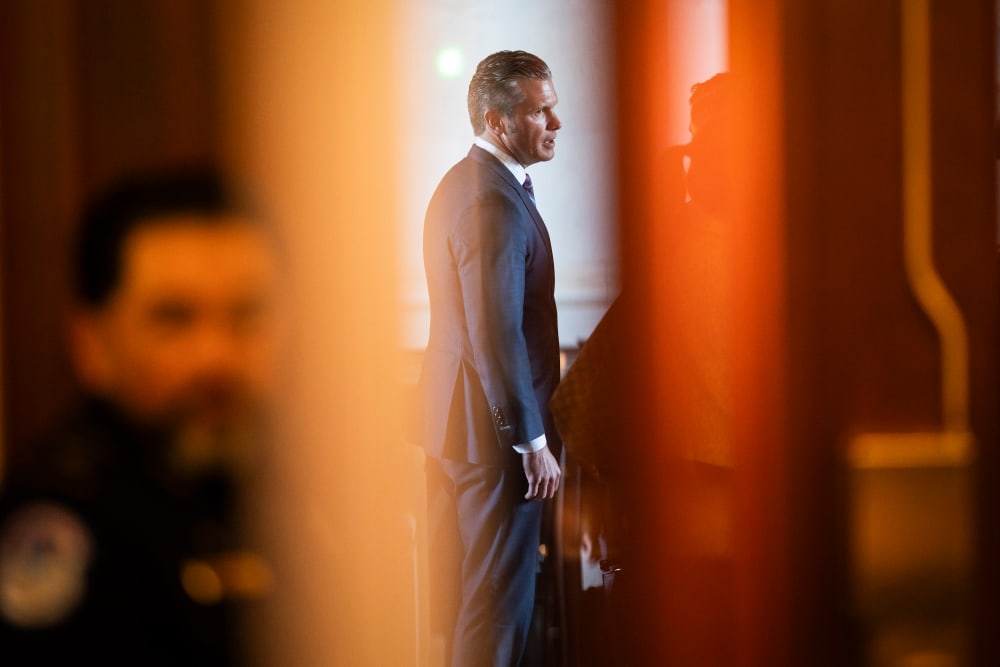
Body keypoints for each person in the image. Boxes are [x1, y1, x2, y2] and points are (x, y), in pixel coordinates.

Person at [0, 167, 284, 665]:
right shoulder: (64, 522)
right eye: (173, 318)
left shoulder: (310, 492)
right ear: (91, 346)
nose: (216, 358)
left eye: (247, 313)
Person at [418, 50, 564, 666]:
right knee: (497, 608)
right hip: (494, 439)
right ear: (498, 121)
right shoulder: (492, 202)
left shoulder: (467, 182)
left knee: (478, 602)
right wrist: (530, 444)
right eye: (542, 111)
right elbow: (495, 332)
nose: (556, 124)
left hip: (464, 427)